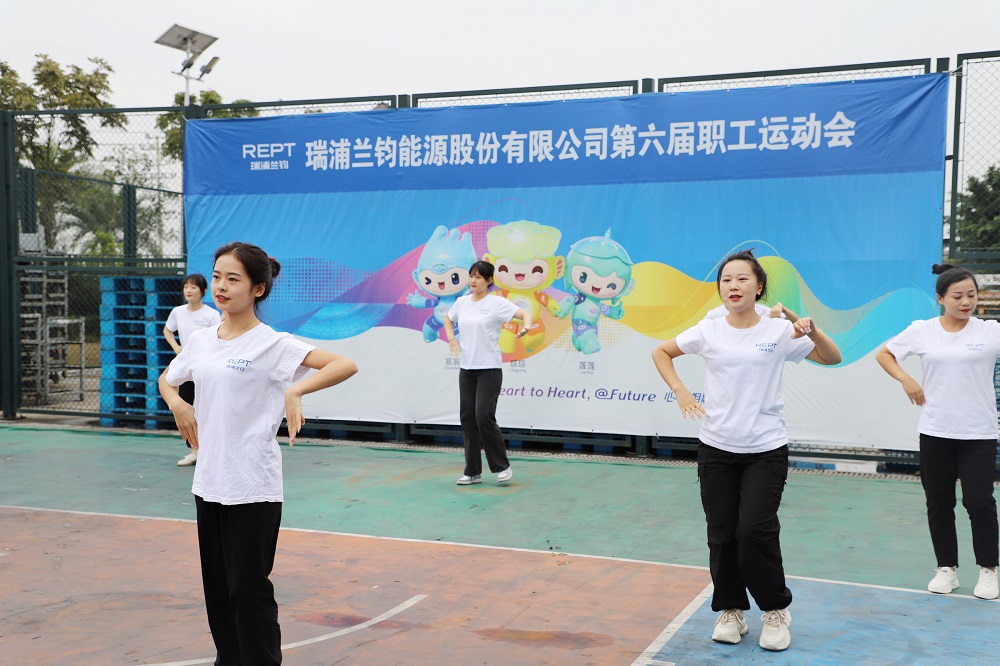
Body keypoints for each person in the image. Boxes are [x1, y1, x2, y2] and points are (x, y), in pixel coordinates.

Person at [158, 242, 358, 665]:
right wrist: (178, 405)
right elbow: (168, 379)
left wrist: (295, 390)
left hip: (252, 486)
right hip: (209, 483)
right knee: (218, 590)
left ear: (258, 289)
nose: (221, 286)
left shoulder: (272, 344)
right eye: (217, 277)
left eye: (233, 279)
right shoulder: (202, 340)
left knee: (248, 589)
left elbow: (344, 364)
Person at [651, 249, 841, 651]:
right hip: (716, 447)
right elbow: (661, 352)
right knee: (722, 534)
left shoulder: (778, 331)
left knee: (754, 529)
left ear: (759, 287)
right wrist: (680, 390)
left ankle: (775, 609)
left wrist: (808, 329)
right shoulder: (709, 330)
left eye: (742, 279)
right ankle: (731, 609)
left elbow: (831, 357)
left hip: (765, 449)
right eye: (726, 280)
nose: (733, 286)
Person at [875, 263, 999, 601]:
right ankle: (947, 568)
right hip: (936, 431)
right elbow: (884, 354)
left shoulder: (990, 332)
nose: (966, 302)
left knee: (979, 501)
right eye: (957, 296)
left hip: (978, 432)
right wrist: (906, 379)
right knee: (939, 502)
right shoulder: (923, 330)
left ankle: (988, 570)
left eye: (971, 295)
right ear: (941, 298)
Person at [444, 260, 532, 486]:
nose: (473, 281)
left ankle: (502, 466)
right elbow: (448, 319)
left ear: (489, 280)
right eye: (471, 276)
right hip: (467, 369)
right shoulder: (462, 302)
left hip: (489, 370)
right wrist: (452, 338)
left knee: (483, 416)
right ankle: (472, 471)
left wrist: (526, 326)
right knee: (468, 418)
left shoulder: (497, 303)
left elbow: (525, 313)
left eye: (478, 277)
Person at [163, 273, 222, 466]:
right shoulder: (178, 312)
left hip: (206, 367)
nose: (188, 290)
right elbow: (167, 330)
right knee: (187, 405)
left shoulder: (211, 315)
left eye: (193, 287)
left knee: (208, 406)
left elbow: (218, 338)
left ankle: (213, 451)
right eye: (186, 286)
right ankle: (195, 451)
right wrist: (176, 347)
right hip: (186, 366)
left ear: (203, 291)